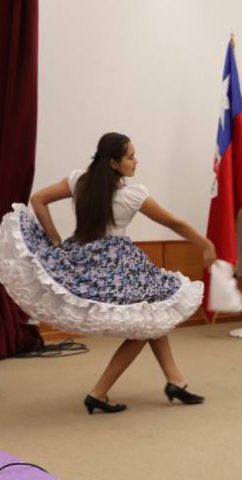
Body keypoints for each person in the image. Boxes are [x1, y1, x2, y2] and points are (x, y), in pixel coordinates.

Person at [0, 132, 216, 414]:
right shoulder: (133, 196)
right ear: (114, 163)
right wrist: (206, 244)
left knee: (151, 313)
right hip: (116, 266)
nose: (136, 161)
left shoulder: (80, 181)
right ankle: (98, 393)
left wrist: (54, 238)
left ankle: (175, 380)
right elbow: (174, 223)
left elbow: (38, 199)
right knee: (143, 325)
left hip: (83, 259)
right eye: (130, 157)